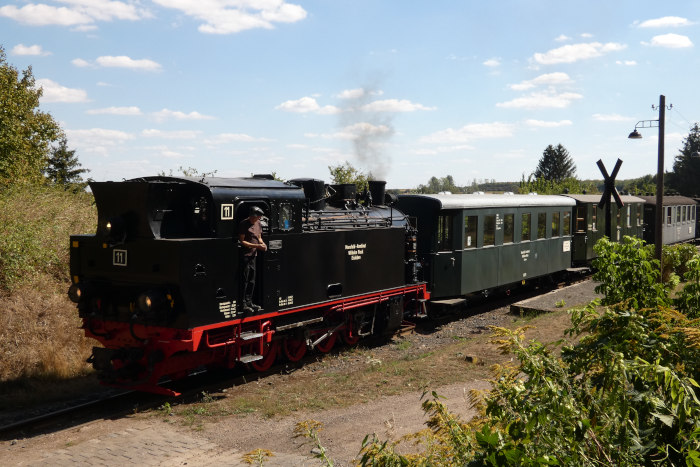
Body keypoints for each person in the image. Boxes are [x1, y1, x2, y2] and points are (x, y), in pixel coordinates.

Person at [238, 206, 267, 313]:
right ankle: (243, 304)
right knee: (244, 280)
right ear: (251, 216)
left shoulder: (258, 223)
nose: (257, 219)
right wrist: (257, 247)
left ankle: (249, 302)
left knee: (252, 280)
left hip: (253, 255)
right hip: (245, 255)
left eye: (258, 218)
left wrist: (262, 244)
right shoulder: (243, 224)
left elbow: (259, 237)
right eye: (256, 217)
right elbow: (242, 241)